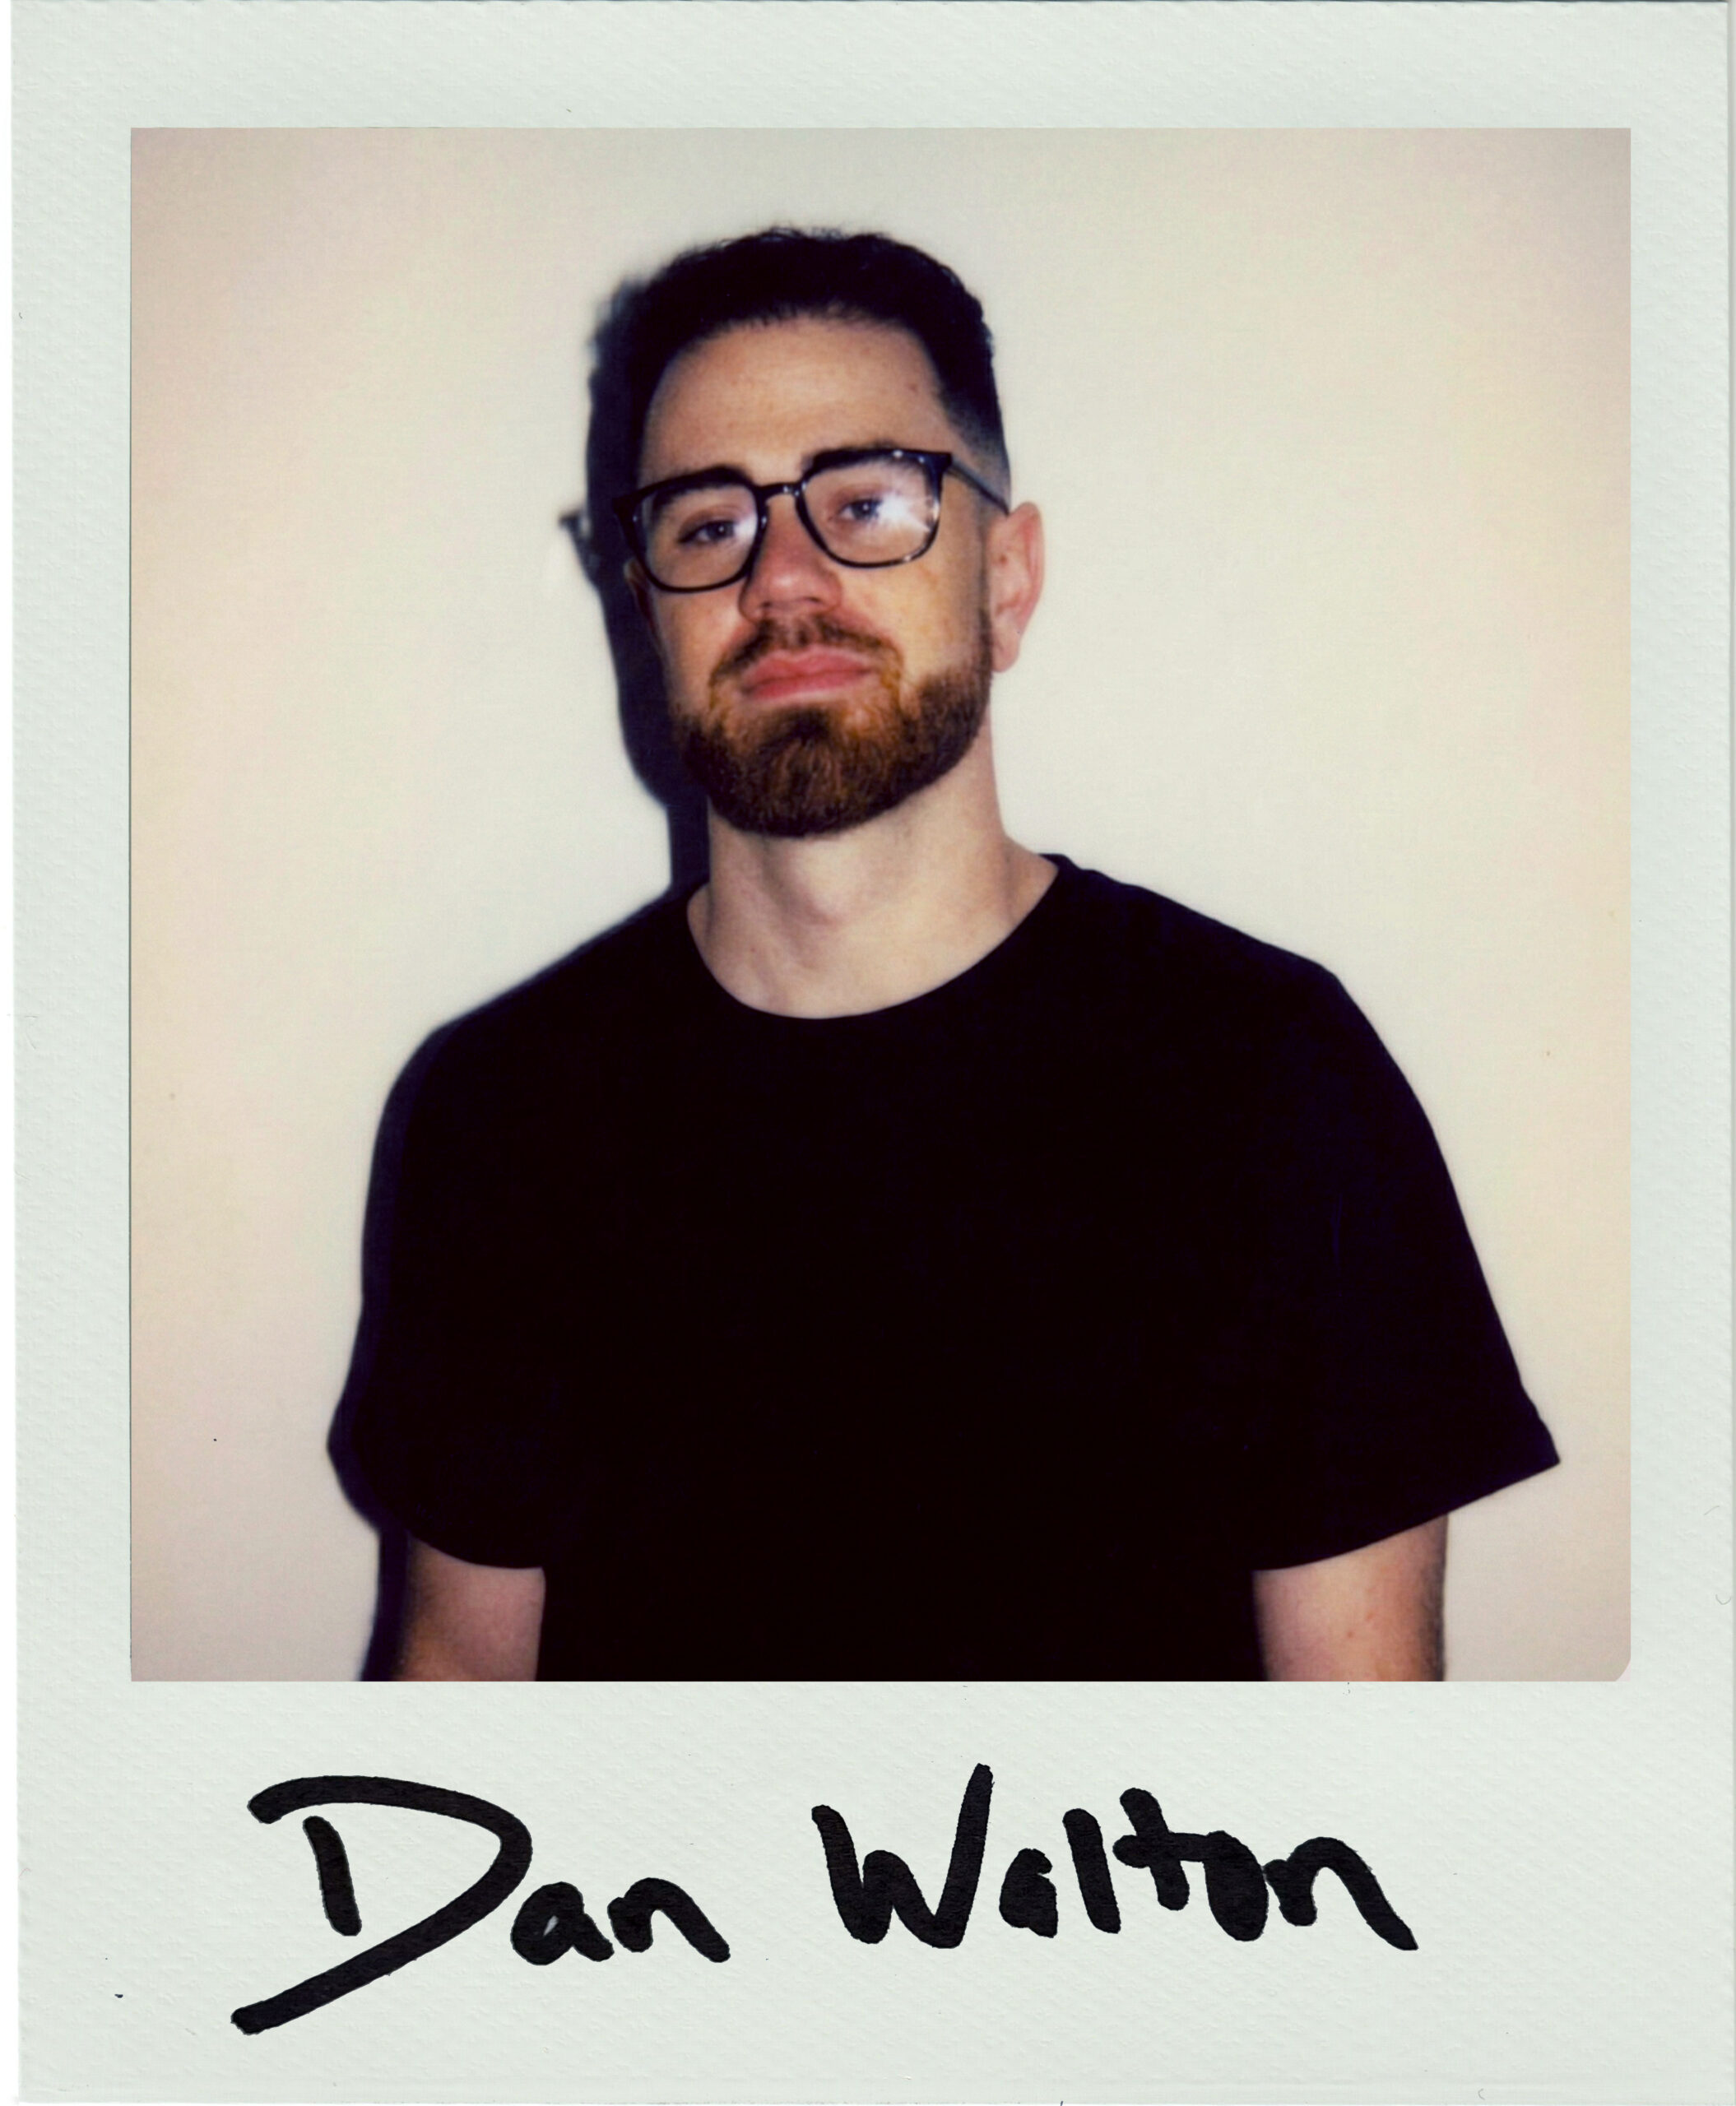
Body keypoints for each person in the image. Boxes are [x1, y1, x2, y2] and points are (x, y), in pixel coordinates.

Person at [341, 227, 1558, 1682]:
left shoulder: (1269, 1078)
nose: (783, 579)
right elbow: (457, 1699)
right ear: (643, 603)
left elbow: (1356, 1747)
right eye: (708, 526)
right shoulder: (501, 1111)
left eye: (866, 502)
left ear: (1007, 577)